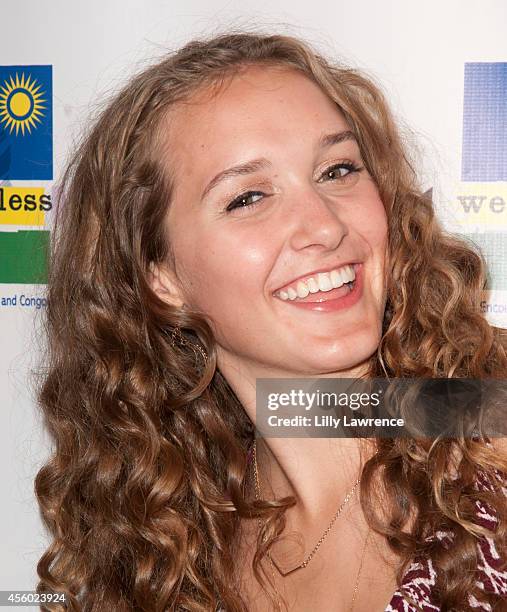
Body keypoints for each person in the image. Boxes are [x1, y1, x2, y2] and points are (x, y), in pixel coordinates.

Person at [34, 31, 507, 611]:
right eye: (248, 197)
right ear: (161, 275)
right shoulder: (164, 559)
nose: (324, 226)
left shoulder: (491, 443)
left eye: (337, 170)